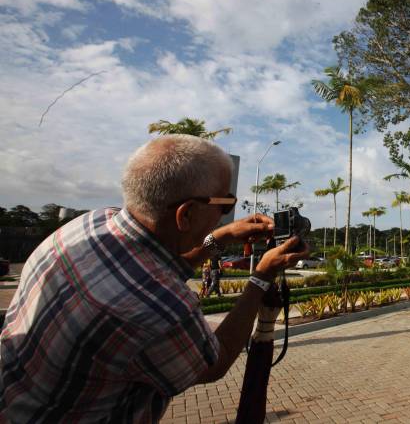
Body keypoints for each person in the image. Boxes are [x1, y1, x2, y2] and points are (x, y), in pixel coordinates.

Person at [0, 135, 309, 422]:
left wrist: (223, 236)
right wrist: (261, 278)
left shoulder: (90, 224)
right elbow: (217, 360)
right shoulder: (163, 309)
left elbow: (170, 266)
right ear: (185, 214)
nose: (226, 215)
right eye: (225, 204)